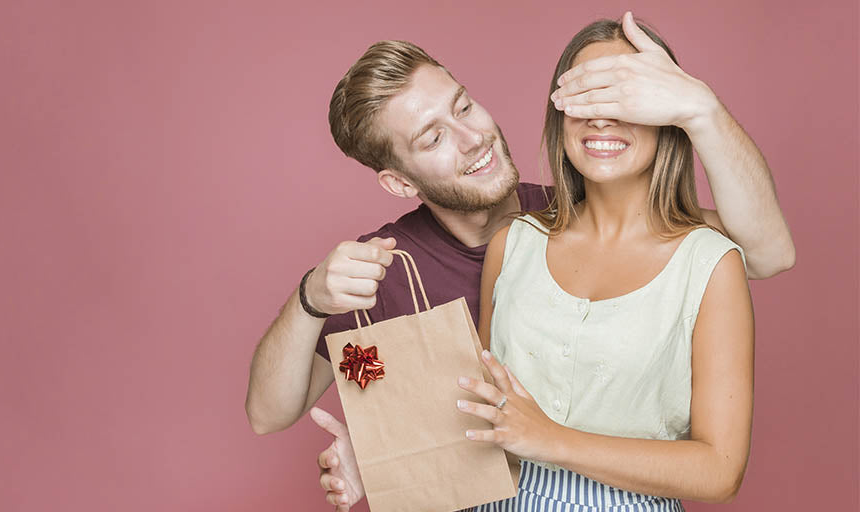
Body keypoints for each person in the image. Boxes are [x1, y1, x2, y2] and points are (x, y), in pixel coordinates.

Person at [244, 10, 794, 510]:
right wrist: (313, 301)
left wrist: (701, 109)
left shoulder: (575, 211)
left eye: (462, 106)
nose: (470, 138)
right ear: (398, 181)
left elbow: (763, 252)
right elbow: (270, 414)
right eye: (433, 136)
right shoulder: (387, 267)